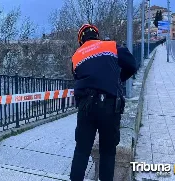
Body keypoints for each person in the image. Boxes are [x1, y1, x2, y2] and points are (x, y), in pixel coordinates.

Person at [70, 24, 137, 181]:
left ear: (81, 40)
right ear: (97, 36)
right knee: (108, 151)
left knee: (81, 150)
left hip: (86, 106)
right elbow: (132, 65)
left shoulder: (76, 56)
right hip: (110, 105)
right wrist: (117, 80)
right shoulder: (111, 46)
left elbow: (79, 78)